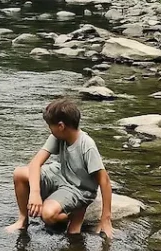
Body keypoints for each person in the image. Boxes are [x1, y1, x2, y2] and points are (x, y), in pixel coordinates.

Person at [6, 97, 113, 238]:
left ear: (61, 126)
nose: (50, 129)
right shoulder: (57, 136)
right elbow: (35, 163)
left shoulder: (87, 145)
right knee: (19, 173)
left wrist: (105, 219)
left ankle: (75, 212)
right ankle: (23, 220)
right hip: (59, 173)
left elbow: (104, 180)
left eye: (50, 126)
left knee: (47, 215)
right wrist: (35, 193)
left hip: (79, 188)